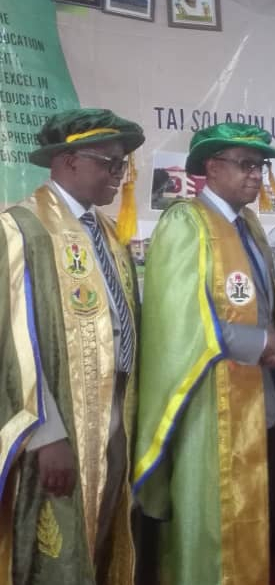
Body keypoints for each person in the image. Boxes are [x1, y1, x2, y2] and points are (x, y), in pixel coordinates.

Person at [133, 122, 275, 585]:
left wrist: (274, 340)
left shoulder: (250, 226)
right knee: (210, 524)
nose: (255, 175)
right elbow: (181, 321)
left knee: (253, 522)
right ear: (212, 167)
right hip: (207, 405)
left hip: (257, 399)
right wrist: (261, 343)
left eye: (260, 166)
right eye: (245, 165)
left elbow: (259, 305)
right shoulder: (186, 222)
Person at [0, 108, 144, 585]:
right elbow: (11, 343)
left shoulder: (107, 233)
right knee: (56, 550)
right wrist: (46, 434)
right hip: (58, 424)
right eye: (109, 163)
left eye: (122, 164)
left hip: (115, 413)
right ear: (68, 160)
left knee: (100, 535)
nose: (119, 175)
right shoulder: (22, 229)